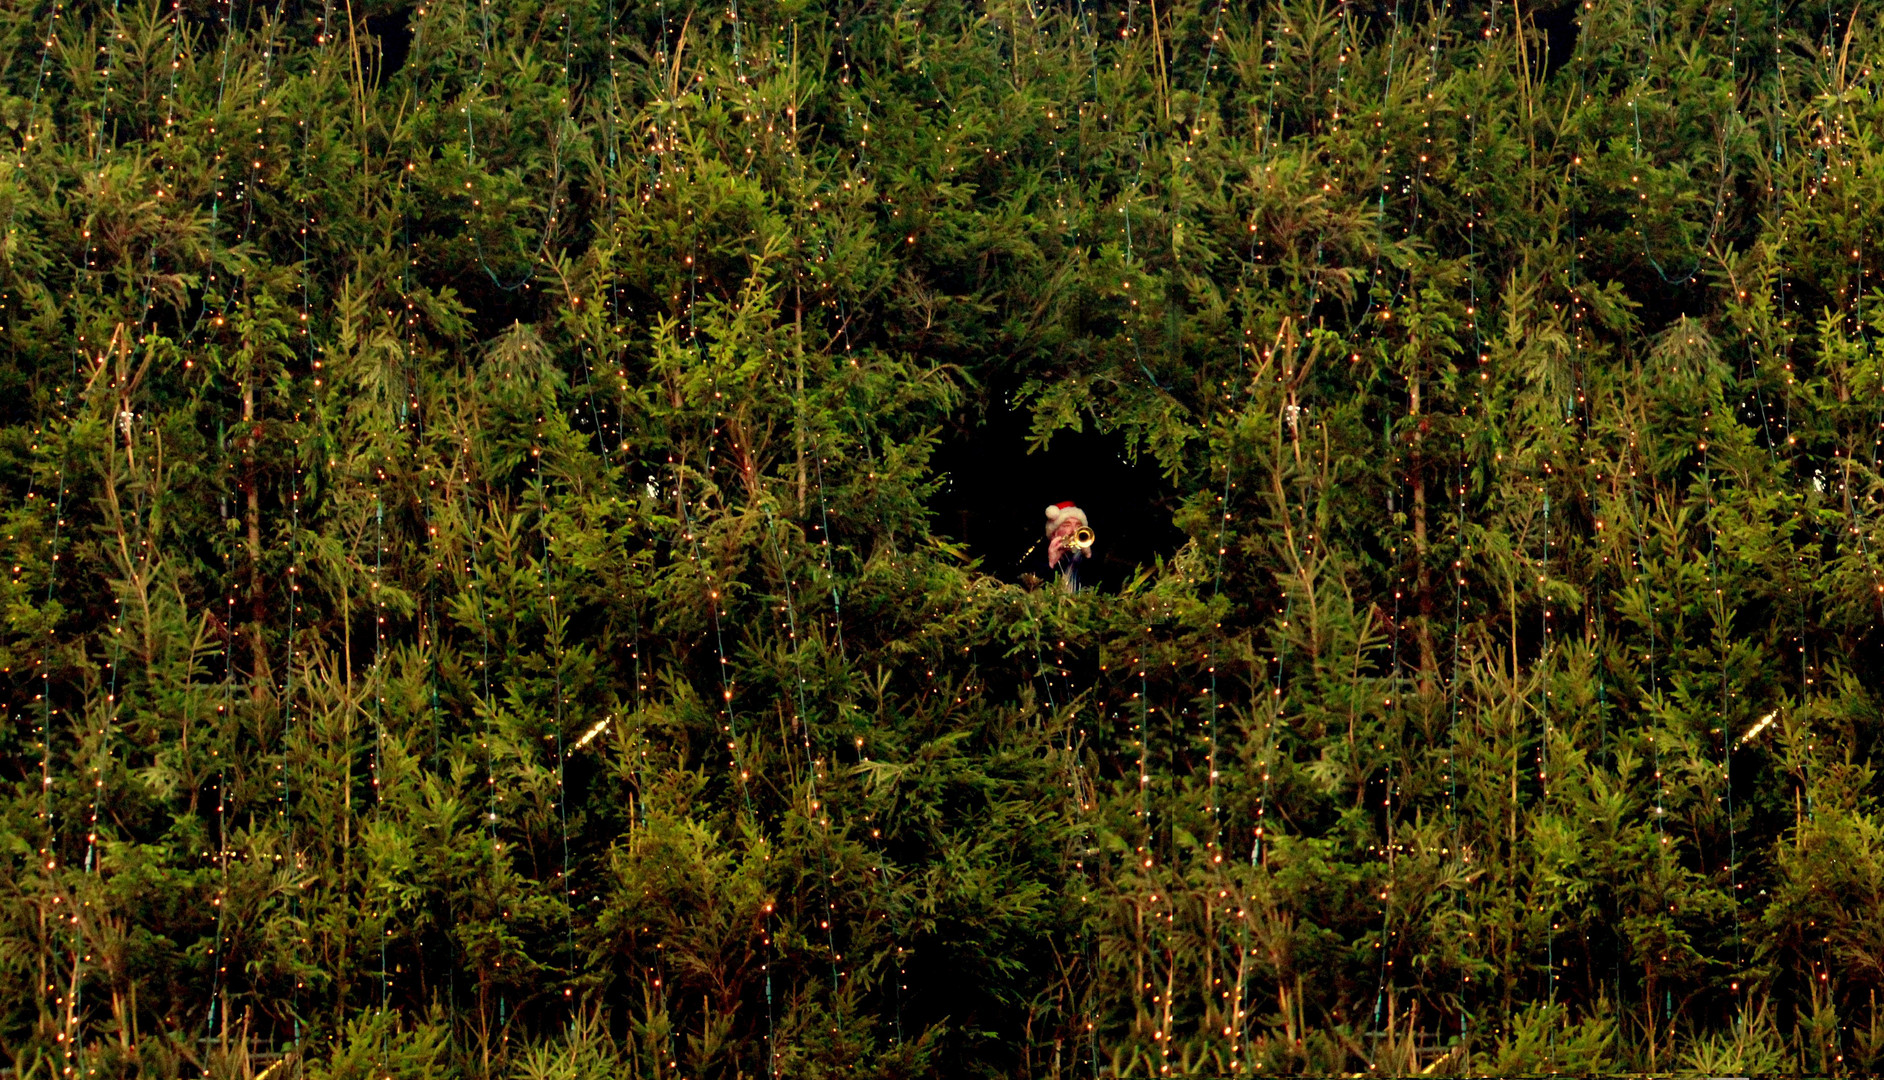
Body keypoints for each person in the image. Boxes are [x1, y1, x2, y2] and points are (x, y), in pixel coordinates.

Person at [1044, 501, 1091, 592]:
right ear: (1054, 532)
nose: (1074, 531)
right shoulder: (1039, 554)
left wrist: (1088, 557)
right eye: (1067, 525)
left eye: (1078, 526)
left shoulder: (1085, 556)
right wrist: (1050, 564)